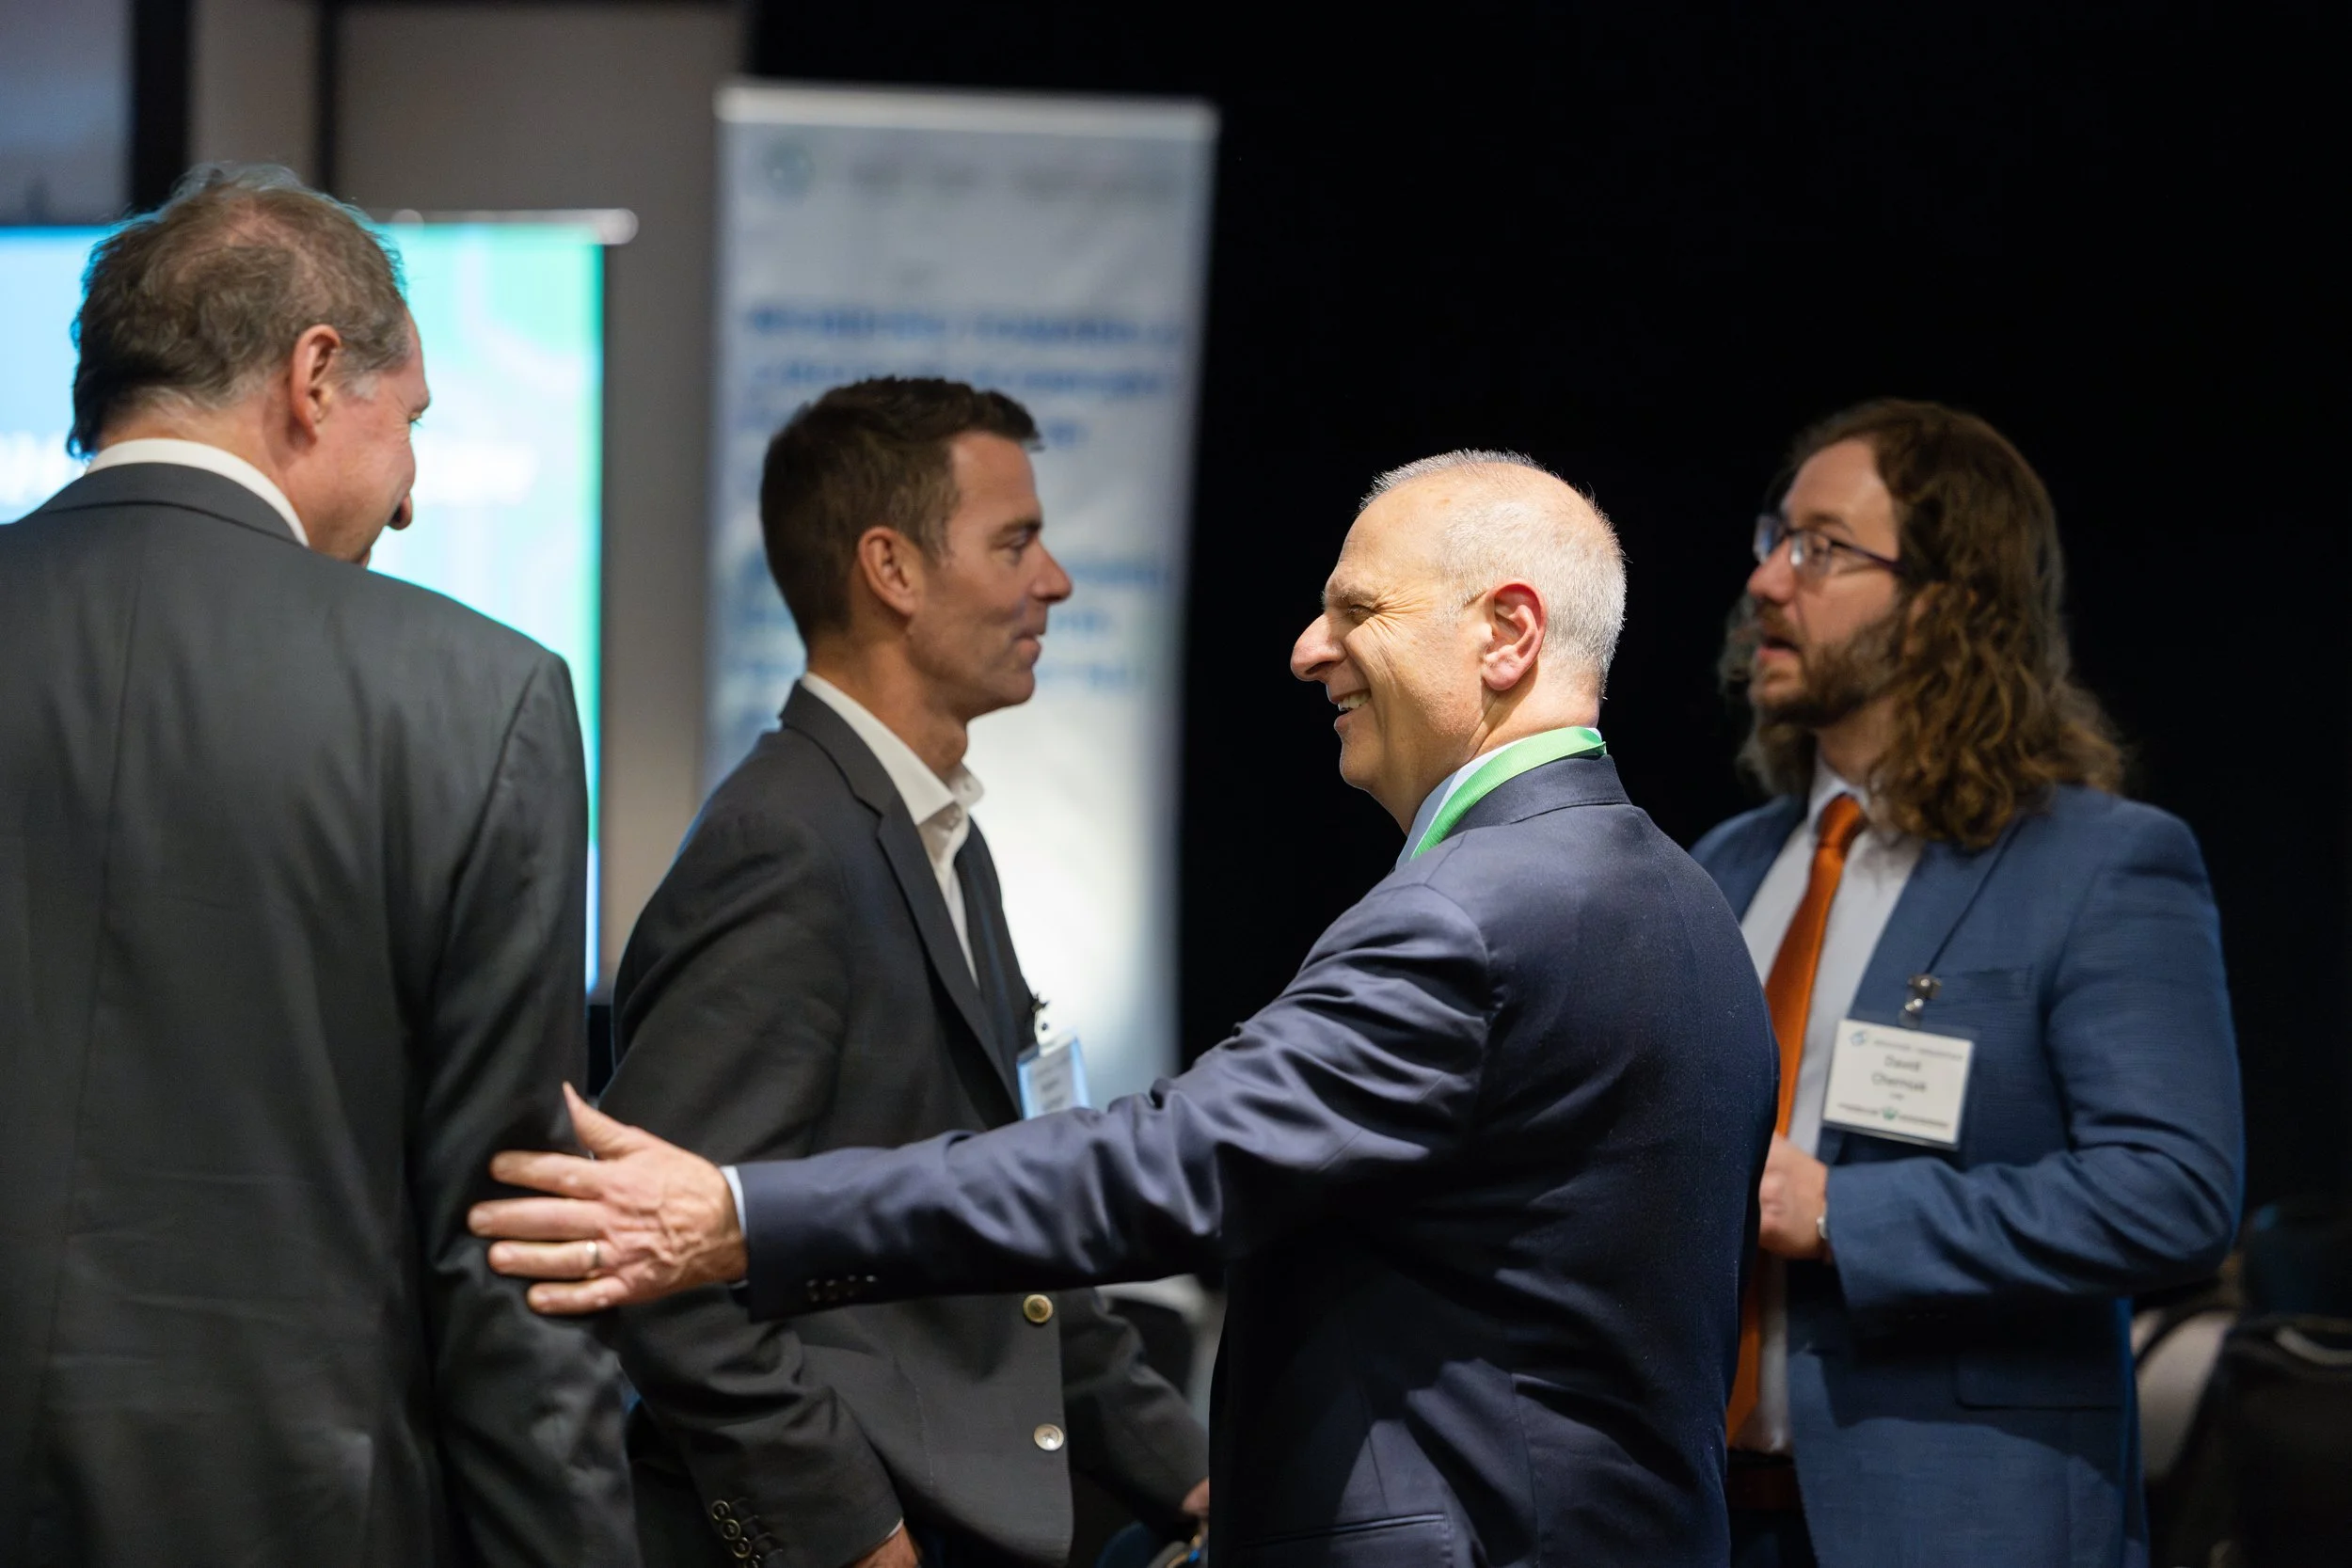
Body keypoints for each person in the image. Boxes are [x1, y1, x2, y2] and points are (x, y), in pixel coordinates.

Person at [472, 451, 1782, 1568]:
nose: (1307, 647)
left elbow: (1168, 1161)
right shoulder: (1680, 896)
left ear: (1506, 631)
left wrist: (741, 1214)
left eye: (1356, 609)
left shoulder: (1471, 914)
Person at [0, 165, 636, 1564]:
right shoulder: (480, 697)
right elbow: (508, 1246)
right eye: (409, 427)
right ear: (314, 375)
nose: (407, 498)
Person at [594, 378, 1209, 1568]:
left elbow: (1027, 1220)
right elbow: (652, 1265)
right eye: (1015, 542)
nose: (1056, 581)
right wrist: (849, 1537)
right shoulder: (781, 845)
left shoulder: (939, 839)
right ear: (892, 568)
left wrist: (1190, 1473)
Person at [1696, 399, 2242, 1568]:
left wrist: (1841, 1211)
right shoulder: (1719, 870)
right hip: (1701, 1518)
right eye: (1772, 540)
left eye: (1823, 548)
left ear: (1944, 604)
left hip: (1960, 1522)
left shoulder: (2098, 864)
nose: (1769, 585)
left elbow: (2173, 1189)